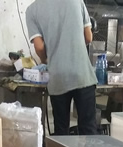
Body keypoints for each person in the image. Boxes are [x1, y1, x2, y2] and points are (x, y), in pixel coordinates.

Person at [26, 0, 98, 135]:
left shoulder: (32, 10)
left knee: (61, 131)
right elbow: (88, 37)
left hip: (58, 77)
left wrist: (46, 60)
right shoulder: (77, 1)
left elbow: (39, 47)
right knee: (88, 130)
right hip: (82, 75)